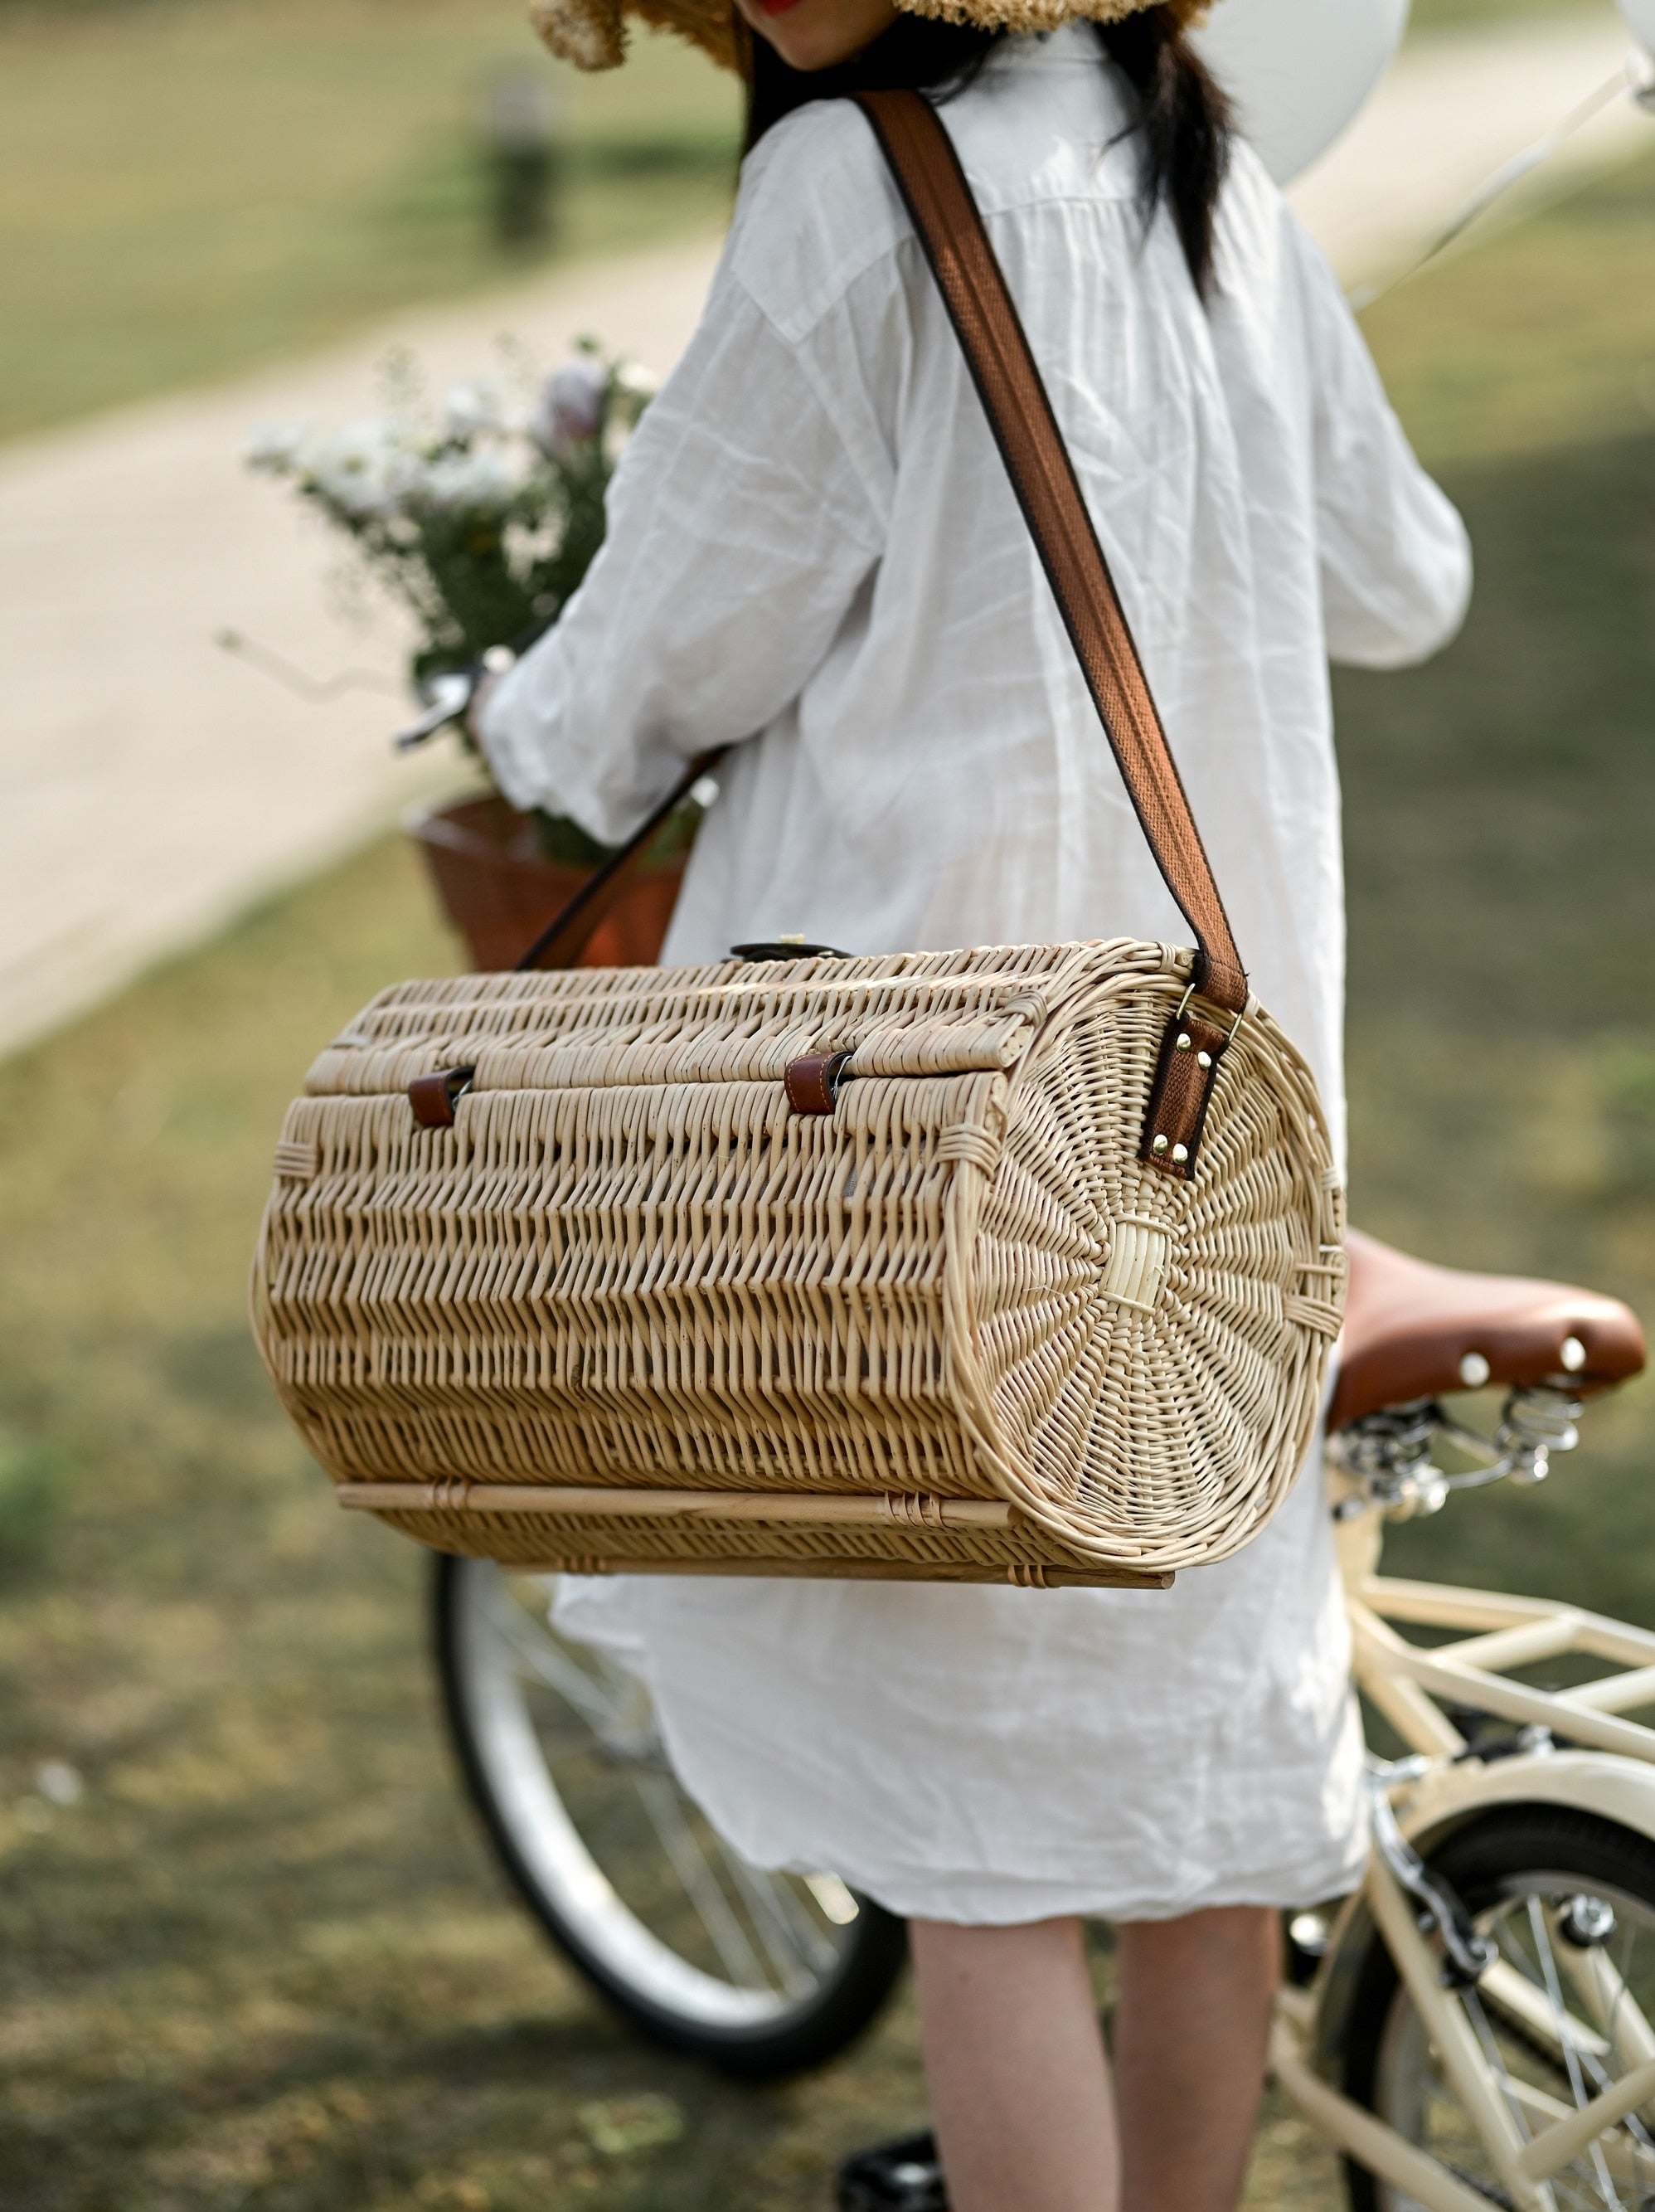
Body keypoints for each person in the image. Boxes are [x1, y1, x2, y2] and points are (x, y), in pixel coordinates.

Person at [475, 0, 1472, 2202]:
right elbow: (1409, 587)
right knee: (1200, 1787)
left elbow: (666, 658)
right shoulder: (1220, 189)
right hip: (1205, 1133)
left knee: (985, 1852)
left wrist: (514, 723)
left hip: (929, 1128)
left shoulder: (853, 191)